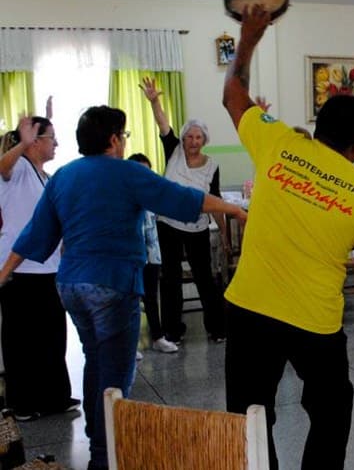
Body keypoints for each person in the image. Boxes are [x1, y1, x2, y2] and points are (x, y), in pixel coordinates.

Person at [222, 4, 354, 470]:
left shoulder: (278, 142)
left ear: (319, 126)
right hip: (313, 323)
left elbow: (233, 94)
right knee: (331, 412)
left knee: (248, 419)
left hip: (251, 309)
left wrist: (249, 38)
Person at [0, 105, 246, 470]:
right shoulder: (126, 172)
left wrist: (5, 271)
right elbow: (182, 198)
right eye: (124, 135)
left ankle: (100, 444)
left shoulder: (64, 176)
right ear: (114, 139)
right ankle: (105, 458)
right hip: (111, 284)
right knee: (116, 374)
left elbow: (37, 233)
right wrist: (235, 209)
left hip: (72, 287)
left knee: (96, 361)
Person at [0, 117, 79, 421]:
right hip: (17, 269)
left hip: (48, 268)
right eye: (51, 138)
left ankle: (54, 397)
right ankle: (21, 402)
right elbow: (2, 166)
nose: (56, 143)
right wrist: (23, 141)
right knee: (22, 338)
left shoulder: (45, 177)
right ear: (35, 141)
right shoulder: (17, 169)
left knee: (52, 334)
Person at [139, 77, 228, 344]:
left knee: (205, 278)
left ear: (204, 140)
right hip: (168, 225)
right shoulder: (173, 150)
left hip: (197, 227)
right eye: (189, 136)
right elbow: (163, 124)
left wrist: (223, 232)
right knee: (170, 279)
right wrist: (155, 101)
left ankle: (217, 329)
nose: (192, 141)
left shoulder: (212, 166)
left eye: (198, 137)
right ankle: (173, 331)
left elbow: (215, 200)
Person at [128, 153, 178, 354]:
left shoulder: (154, 195)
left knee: (151, 296)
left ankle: (157, 336)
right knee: (131, 298)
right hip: (131, 255)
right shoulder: (124, 196)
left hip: (152, 253)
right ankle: (131, 344)